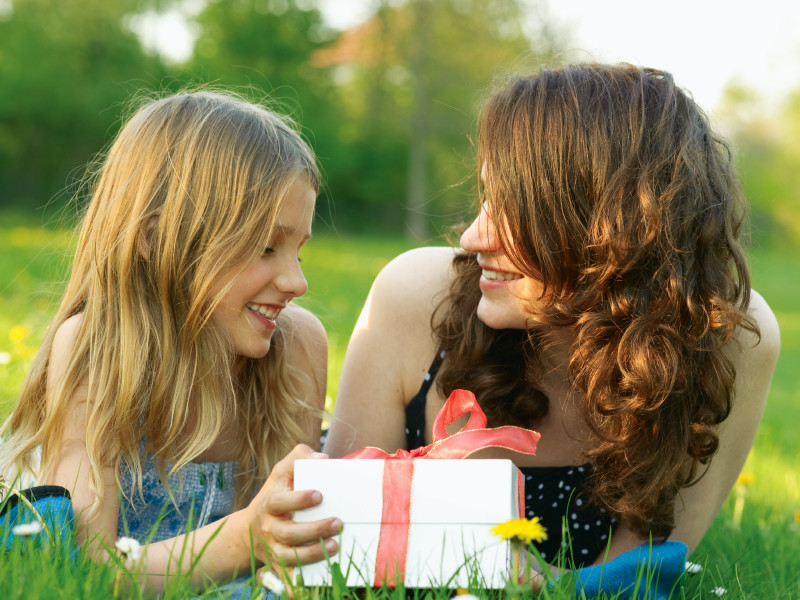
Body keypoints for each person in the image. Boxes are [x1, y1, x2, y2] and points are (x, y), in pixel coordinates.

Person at [324, 63, 780, 590]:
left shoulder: (727, 337)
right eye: (486, 198)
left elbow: (633, 580)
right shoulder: (418, 297)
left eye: (516, 211)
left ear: (613, 228)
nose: (473, 237)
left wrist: (526, 579)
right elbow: (340, 546)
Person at [0, 90, 342, 591]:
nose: (297, 282)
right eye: (265, 246)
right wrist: (247, 538)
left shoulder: (297, 347)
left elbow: (290, 574)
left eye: (299, 251)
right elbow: (84, 576)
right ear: (155, 238)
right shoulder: (99, 351)